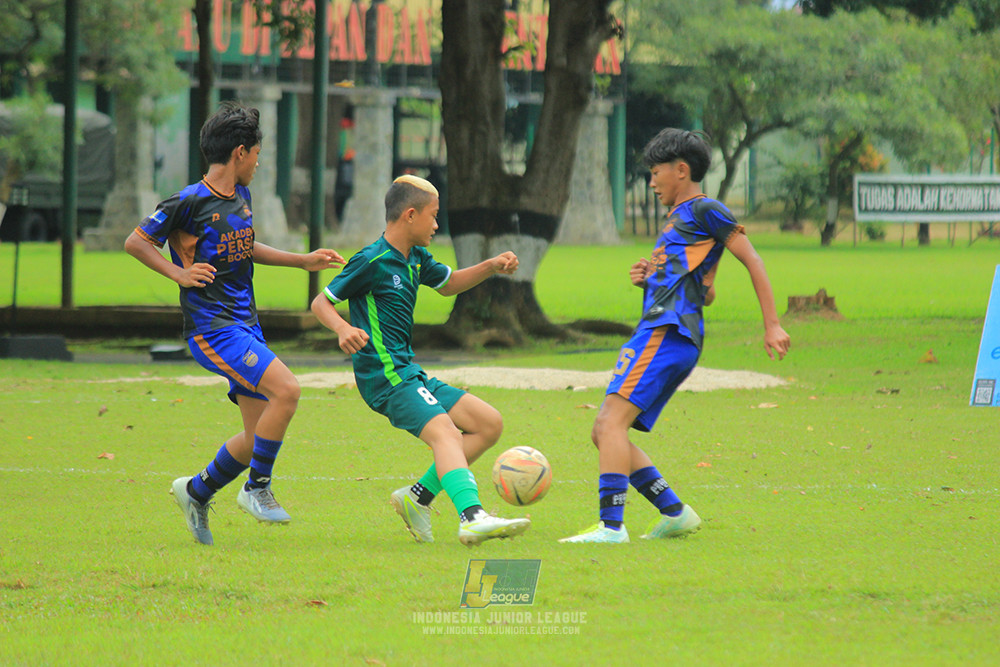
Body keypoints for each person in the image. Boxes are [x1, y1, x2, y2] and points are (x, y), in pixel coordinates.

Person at [124, 101, 345, 546]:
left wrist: (301, 262)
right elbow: (136, 241)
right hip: (213, 328)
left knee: (255, 436)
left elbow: (245, 246)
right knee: (288, 390)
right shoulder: (188, 201)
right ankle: (256, 489)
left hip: (245, 324)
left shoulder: (240, 196)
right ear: (240, 153)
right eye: (258, 154)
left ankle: (196, 491)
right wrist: (178, 273)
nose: (260, 164)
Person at [560, 128, 790, 544]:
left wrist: (772, 323)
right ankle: (674, 512)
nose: (651, 183)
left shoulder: (706, 210)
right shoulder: (680, 219)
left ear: (681, 171)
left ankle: (611, 528)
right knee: (604, 429)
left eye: (656, 173)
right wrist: (649, 280)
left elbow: (753, 259)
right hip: (663, 328)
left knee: (610, 422)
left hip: (667, 332)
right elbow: (706, 291)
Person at [310, 174, 530, 547]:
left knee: (488, 424)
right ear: (410, 215)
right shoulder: (371, 260)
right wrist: (342, 328)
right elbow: (321, 302)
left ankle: (417, 498)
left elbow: (448, 284)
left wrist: (490, 266)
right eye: (433, 215)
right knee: (445, 431)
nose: (437, 224)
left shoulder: (415, 258)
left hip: (408, 371)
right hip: (384, 375)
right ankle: (472, 516)